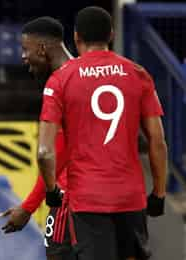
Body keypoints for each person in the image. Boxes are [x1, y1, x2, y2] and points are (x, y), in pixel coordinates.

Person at [37, 6, 167, 260]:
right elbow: (157, 140)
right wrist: (159, 192)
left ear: (76, 37)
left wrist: (52, 190)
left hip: (87, 199)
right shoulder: (138, 74)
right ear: (111, 35)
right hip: (131, 196)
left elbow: (44, 151)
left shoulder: (60, 80)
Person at [0, 16, 76, 260]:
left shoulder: (60, 83)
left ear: (42, 48)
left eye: (25, 49)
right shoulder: (87, 76)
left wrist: (28, 207)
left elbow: (56, 154)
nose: (23, 56)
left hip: (71, 200)